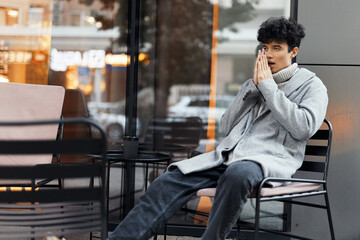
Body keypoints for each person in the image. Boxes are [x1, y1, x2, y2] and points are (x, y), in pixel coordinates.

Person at [108, 17, 328, 240]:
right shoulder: (255, 83)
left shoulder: (312, 85)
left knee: (238, 173)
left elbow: (304, 127)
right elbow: (226, 126)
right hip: (227, 158)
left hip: (268, 161)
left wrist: (268, 89)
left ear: (293, 52)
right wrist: (251, 90)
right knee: (169, 178)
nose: (268, 54)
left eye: (276, 48)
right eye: (264, 48)